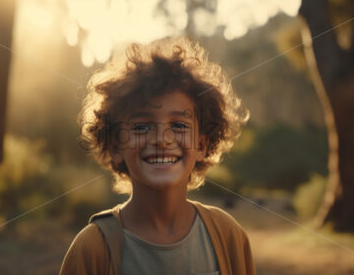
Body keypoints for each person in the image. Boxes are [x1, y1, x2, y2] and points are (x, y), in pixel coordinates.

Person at [59, 37, 254, 275]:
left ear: (202, 145)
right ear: (114, 146)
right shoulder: (92, 248)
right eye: (141, 127)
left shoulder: (227, 236)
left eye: (180, 125)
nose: (162, 138)